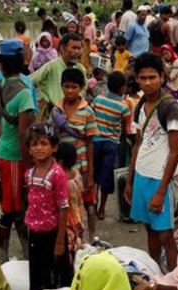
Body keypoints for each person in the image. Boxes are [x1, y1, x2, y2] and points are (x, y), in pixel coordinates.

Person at [125, 52, 178, 272]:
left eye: (152, 77)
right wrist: (130, 181)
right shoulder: (141, 104)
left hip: (160, 179)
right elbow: (137, 144)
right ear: (137, 79)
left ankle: (174, 282)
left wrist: (160, 191)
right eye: (143, 78)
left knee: (166, 235)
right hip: (142, 175)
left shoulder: (170, 108)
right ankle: (155, 274)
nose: (148, 82)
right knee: (149, 229)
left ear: (162, 77)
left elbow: (175, 153)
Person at [0, 39, 36, 261]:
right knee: (12, 210)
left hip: (4, 153)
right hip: (15, 157)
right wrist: (31, 169)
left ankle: (21, 254)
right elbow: (24, 135)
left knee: (15, 207)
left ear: (2, 64)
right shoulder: (23, 92)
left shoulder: (0, 85)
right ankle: (8, 256)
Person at [24, 123, 72, 290]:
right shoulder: (29, 174)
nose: (39, 148)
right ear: (29, 149)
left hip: (54, 234)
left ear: (54, 147)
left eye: (44, 143)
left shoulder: (57, 175)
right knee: (38, 274)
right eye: (34, 144)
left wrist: (60, 242)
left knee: (57, 277)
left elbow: (63, 208)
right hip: (35, 233)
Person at [51, 68, 98, 237]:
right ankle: (70, 237)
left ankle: (91, 238)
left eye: (74, 87)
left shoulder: (87, 111)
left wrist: (90, 174)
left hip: (82, 165)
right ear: (61, 86)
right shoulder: (56, 110)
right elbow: (53, 139)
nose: (70, 91)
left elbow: (90, 142)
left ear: (81, 88)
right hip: (62, 167)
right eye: (66, 86)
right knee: (65, 202)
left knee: (88, 203)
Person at [92, 71, 132, 221]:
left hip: (95, 140)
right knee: (106, 177)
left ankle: (93, 203)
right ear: (123, 88)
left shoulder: (98, 99)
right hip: (111, 143)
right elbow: (126, 128)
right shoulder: (123, 107)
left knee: (94, 175)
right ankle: (102, 208)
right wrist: (125, 139)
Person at [30, 33, 87, 120]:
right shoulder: (51, 66)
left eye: (79, 48)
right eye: (74, 48)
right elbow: (29, 81)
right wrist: (43, 98)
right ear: (62, 48)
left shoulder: (81, 69)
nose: (77, 52)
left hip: (75, 115)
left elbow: (84, 89)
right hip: (52, 115)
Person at [57, 142, 86, 262]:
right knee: (78, 244)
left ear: (60, 162)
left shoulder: (62, 181)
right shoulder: (76, 173)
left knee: (69, 248)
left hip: (68, 220)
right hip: (78, 216)